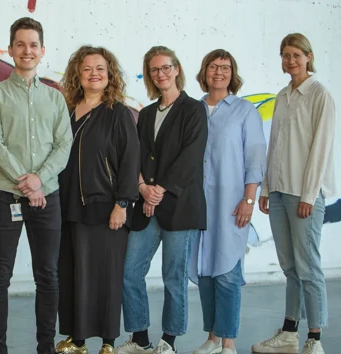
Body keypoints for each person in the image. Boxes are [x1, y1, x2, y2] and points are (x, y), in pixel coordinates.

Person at [0, 17, 73, 354]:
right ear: (10, 49)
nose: (27, 50)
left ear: (42, 50)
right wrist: (27, 183)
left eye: (33, 44)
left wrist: (39, 181)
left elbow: (64, 145)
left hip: (47, 197)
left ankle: (45, 347)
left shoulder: (55, 98)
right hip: (6, 195)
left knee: (48, 275)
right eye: (20, 44)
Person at [116, 46, 208, 354]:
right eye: (154, 70)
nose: (161, 74)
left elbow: (190, 159)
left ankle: (169, 341)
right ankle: (140, 339)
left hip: (179, 207)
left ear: (177, 69)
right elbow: (136, 156)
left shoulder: (194, 110)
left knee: (173, 277)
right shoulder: (146, 113)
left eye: (166, 67)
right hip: (146, 205)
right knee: (130, 272)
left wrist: (159, 191)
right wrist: (143, 187)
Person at [251, 33, 336, 354]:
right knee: (289, 267)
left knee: (308, 267)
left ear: (308, 57)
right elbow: (275, 147)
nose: (290, 60)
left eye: (296, 54)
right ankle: (289, 332)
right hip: (279, 194)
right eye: (285, 55)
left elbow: (320, 149)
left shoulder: (319, 95)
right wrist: (266, 188)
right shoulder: (283, 96)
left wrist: (308, 195)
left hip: (305, 196)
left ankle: (315, 338)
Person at [55, 45, 140, 354]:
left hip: (107, 208)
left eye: (100, 68)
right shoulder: (65, 109)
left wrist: (122, 203)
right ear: (78, 73)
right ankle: (77, 340)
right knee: (74, 274)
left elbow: (131, 161)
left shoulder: (117, 112)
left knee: (106, 276)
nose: (94, 73)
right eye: (87, 68)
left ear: (109, 74)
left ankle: (107, 341)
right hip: (70, 208)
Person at [188, 49, 266, 354]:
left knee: (228, 272)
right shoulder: (193, 110)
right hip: (197, 204)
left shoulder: (245, 111)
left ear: (233, 74)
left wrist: (249, 199)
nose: (219, 72)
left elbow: (255, 158)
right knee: (204, 272)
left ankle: (229, 342)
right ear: (204, 72)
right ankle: (212, 337)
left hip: (231, 204)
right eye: (213, 67)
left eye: (225, 67)